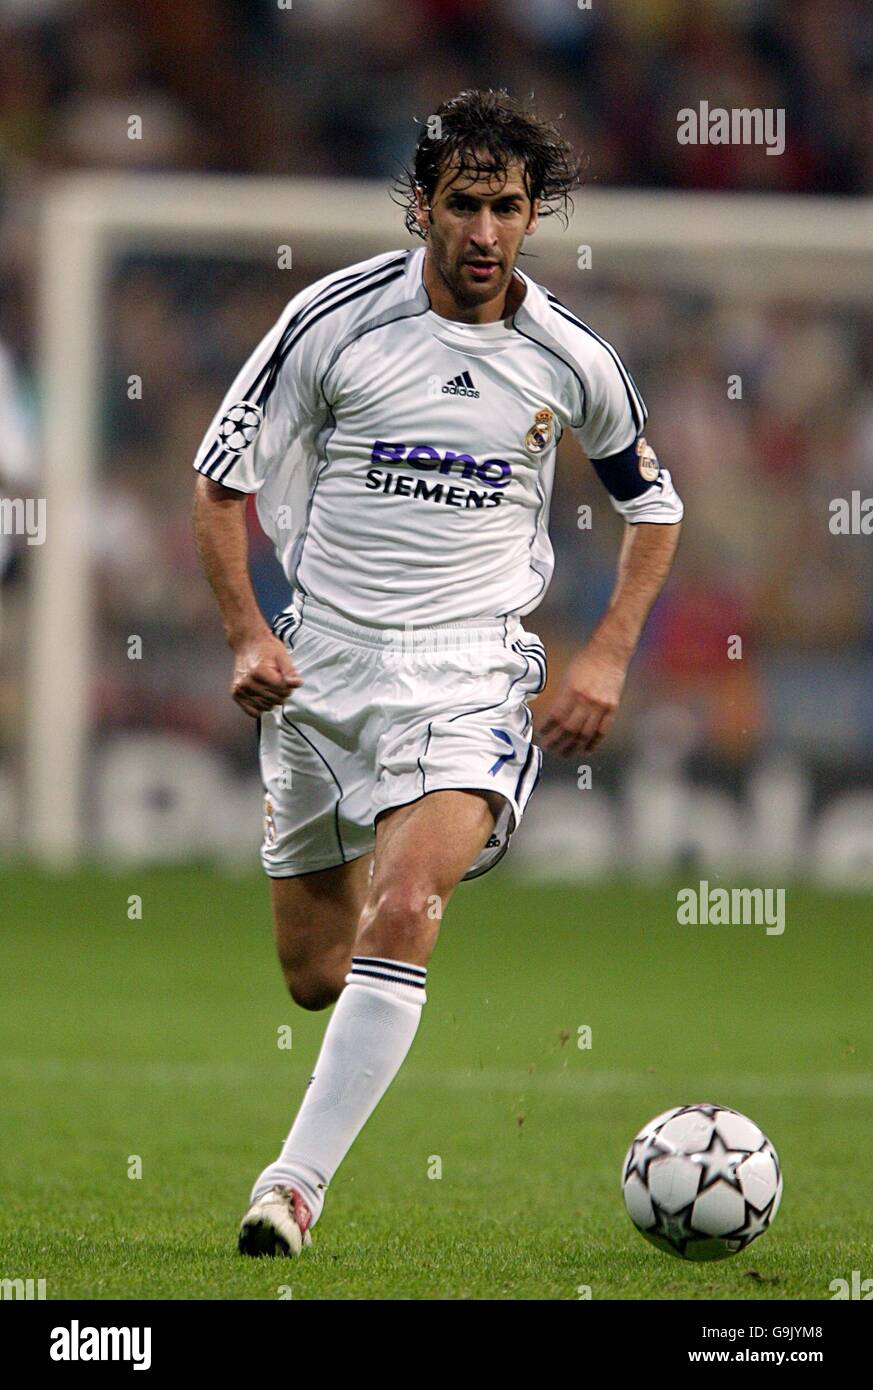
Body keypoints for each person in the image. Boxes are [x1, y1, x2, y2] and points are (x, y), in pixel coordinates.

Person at [192, 89, 683, 1256]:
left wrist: (607, 654)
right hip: (319, 670)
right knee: (316, 974)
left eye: (507, 206)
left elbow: (652, 507)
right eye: (462, 203)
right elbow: (221, 488)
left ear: (532, 215)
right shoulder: (334, 319)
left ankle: (292, 1187)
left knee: (409, 907)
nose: (483, 230)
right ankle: (380, 902)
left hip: (470, 671)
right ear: (422, 207)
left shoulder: (571, 358)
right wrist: (248, 637)